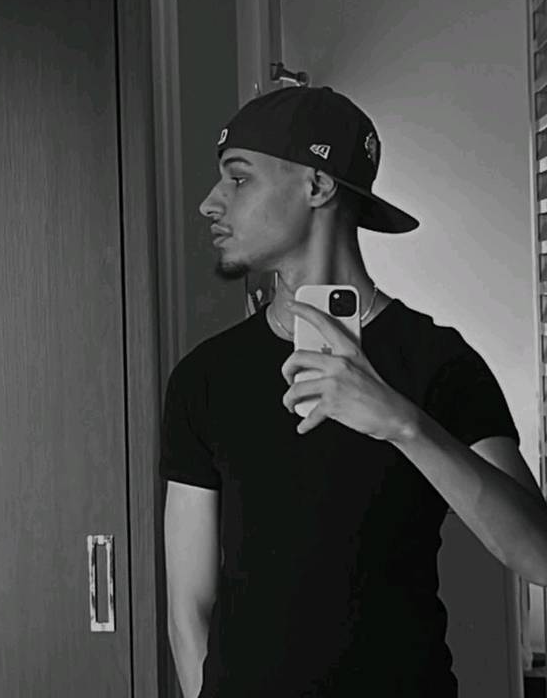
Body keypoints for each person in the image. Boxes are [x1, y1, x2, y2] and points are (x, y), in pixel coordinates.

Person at [159, 86, 547, 698]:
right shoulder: (204, 377)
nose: (210, 202)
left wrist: (402, 424)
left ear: (317, 185)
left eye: (238, 178)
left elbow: (539, 555)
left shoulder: (437, 362)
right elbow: (189, 609)